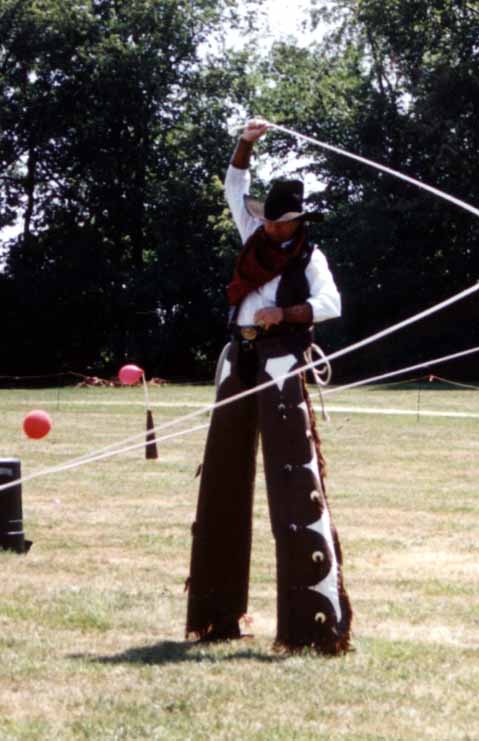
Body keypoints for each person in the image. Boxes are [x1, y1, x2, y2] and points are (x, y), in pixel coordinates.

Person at [184, 119, 352, 655]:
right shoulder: (253, 239)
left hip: (282, 360)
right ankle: (215, 615)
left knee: (292, 479)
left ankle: (310, 627)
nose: (274, 229)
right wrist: (245, 142)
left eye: (282, 223)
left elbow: (330, 305)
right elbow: (234, 187)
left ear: (296, 223)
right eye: (270, 222)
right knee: (222, 475)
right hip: (240, 356)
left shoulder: (311, 258)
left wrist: (286, 313)